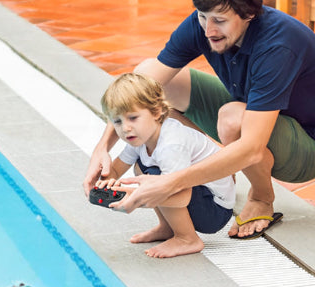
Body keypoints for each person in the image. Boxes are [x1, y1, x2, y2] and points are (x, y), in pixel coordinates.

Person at [83, 0, 315, 239]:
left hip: (307, 146)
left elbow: (252, 149)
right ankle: (222, 170)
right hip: (255, 111)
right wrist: (102, 149)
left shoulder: (279, 44)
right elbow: (138, 92)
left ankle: (261, 198)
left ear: (248, 15)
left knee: (232, 119)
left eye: (220, 21)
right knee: (150, 78)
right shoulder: (204, 22)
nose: (208, 31)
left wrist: (170, 183)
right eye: (203, 17)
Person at [94, 73, 235, 257]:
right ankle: (168, 227)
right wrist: (103, 183)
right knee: (143, 168)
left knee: (154, 177)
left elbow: (181, 197)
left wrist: (137, 198)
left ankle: (187, 238)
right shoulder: (141, 137)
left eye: (133, 118)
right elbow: (115, 169)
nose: (125, 128)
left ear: (156, 112)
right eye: (118, 121)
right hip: (196, 193)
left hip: (214, 209)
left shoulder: (171, 145)